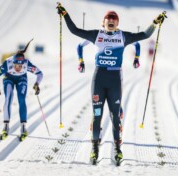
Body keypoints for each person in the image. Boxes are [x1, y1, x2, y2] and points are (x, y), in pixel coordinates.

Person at [57, 4, 166, 164]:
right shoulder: (96, 35)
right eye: (108, 19)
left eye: (114, 19)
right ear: (103, 22)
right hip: (99, 77)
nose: (111, 21)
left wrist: (155, 22)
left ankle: (117, 149)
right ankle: (95, 148)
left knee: (116, 116)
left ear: (117, 23)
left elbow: (144, 34)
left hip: (114, 78)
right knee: (97, 115)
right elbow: (75, 30)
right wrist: (65, 14)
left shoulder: (123, 36)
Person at [0, 39, 43, 140]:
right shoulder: (7, 64)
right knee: (8, 98)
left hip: (21, 79)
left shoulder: (27, 64)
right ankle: (5, 127)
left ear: (23, 63)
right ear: (13, 62)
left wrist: (37, 84)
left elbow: (40, 74)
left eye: (20, 65)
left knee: (21, 99)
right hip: (9, 78)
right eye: (16, 65)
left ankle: (23, 128)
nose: (18, 68)